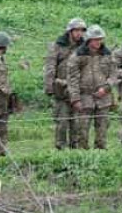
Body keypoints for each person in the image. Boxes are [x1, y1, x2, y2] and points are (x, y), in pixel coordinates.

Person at [67, 25, 116, 150]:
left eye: (100, 39)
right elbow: (72, 79)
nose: (98, 42)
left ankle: (101, 153)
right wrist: (75, 99)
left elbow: (114, 74)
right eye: (95, 39)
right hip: (85, 97)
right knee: (82, 130)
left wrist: (106, 88)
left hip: (103, 97)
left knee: (102, 130)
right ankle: (83, 154)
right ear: (89, 40)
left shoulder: (108, 55)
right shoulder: (77, 56)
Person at [44, 18, 87, 149]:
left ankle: (75, 148)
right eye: (76, 30)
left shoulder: (84, 47)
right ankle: (60, 148)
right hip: (61, 90)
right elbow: (50, 67)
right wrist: (49, 87)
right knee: (62, 122)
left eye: (82, 31)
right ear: (70, 31)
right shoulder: (58, 46)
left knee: (77, 123)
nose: (79, 33)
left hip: (78, 90)